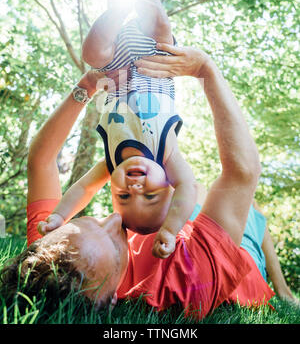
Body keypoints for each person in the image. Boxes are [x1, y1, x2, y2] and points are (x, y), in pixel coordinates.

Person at [1, 44, 297, 318]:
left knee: (195, 196)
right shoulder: (189, 280)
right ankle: (280, 289)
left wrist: (88, 86)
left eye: (90, 221)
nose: (116, 220)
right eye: (118, 250)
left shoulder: (54, 251)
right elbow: (242, 172)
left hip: (174, 229)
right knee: (247, 208)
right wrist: (206, 70)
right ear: (111, 298)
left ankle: (280, 283)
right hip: (241, 275)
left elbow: (40, 160)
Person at [38, 0, 198, 259]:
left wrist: (60, 217)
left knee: (92, 53)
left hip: (115, 70)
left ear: (112, 187)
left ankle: (118, 6)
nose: (136, 188)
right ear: (167, 183)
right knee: (160, 25)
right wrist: (170, 229)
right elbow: (189, 187)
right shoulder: (167, 156)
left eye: (123, 195)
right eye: (151, 195)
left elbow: (83, 190)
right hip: (155, 58)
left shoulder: (111, 163)